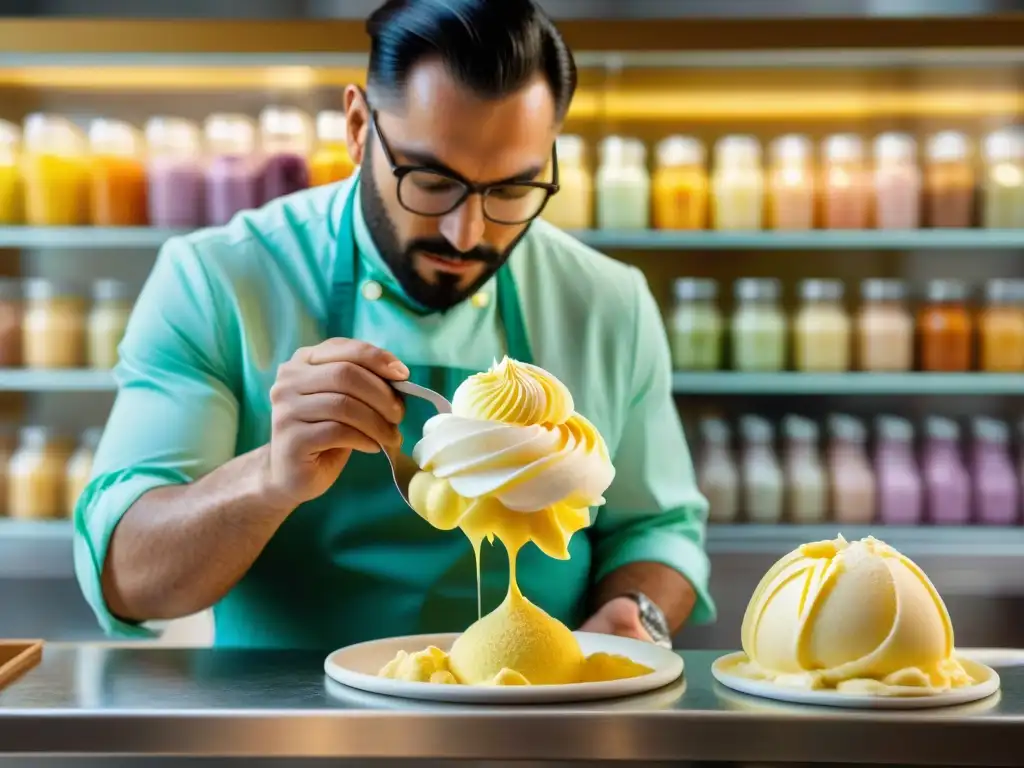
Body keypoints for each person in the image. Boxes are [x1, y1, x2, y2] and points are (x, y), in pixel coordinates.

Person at [73, 0, 716, 650]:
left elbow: (656, 528)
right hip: (285, 723)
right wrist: (268, 477)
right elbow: (131, 582)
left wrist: (637, 614)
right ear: (358, 127)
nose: (468, 234)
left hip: (539, 718)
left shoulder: (609, 302)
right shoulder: (218, 282)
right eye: (432, 180)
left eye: (512, 190)